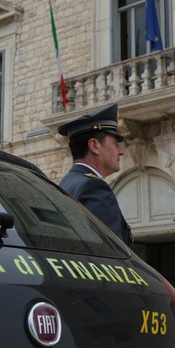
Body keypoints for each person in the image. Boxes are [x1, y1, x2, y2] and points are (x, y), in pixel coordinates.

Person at [58, 103, 131, 244]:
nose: (121, 151)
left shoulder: (66, 183)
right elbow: (110, 253)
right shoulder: (93, 187)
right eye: (115, 144)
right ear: (95, 146)